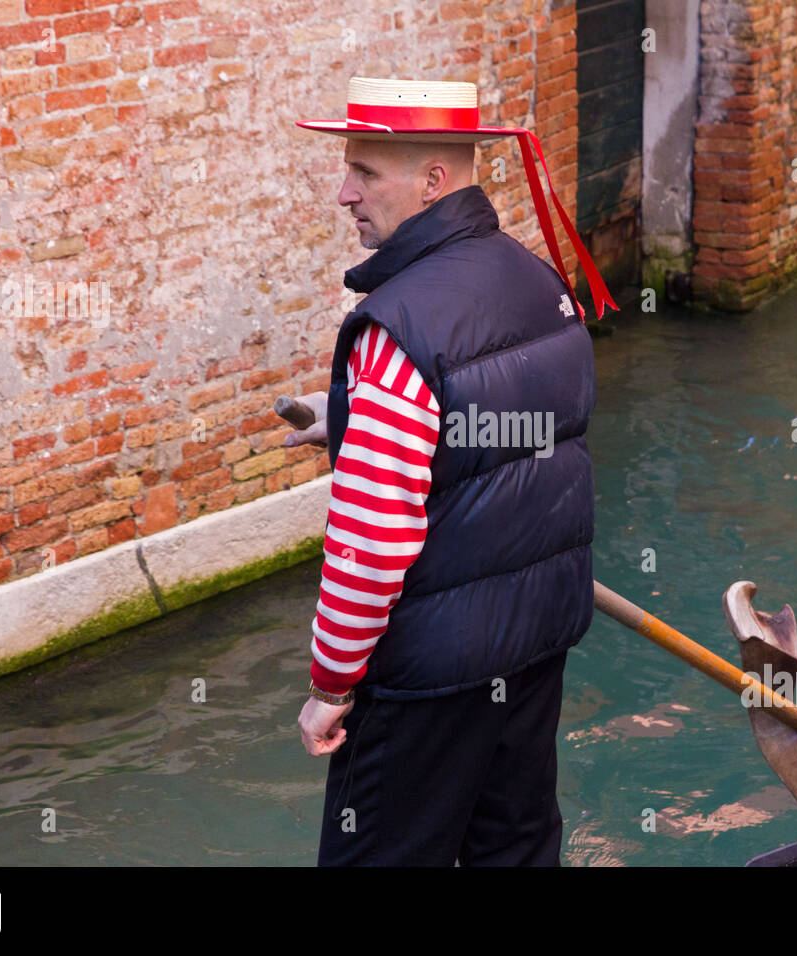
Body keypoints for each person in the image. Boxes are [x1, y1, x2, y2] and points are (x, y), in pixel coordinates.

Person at [288, 76, 617, 866]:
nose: (344, 194)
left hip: (428, 677)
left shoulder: (399, 323)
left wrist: (330, 686)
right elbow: (514, 429)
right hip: (534, 646)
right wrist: (357, 420)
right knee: (515, 851)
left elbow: (371, 545)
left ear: (433, 181)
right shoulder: (537, 283)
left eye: (365, 173)